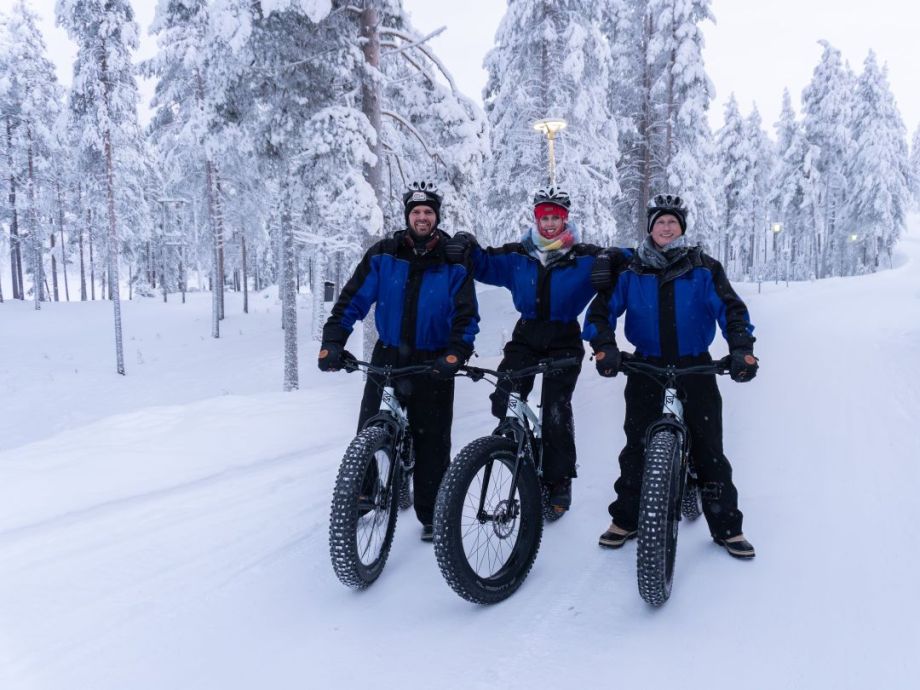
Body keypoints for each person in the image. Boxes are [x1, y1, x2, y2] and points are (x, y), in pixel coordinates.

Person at [583, 193, 759, 559]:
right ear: (650, 228)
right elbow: (601, 313)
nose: (666, 227)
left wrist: (741, 348)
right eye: (660, 222)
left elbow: (732, 311)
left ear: (682, 228)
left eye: (673, 222)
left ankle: (727, 527)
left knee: (709, 450)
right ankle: (626, 519)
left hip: (695, 366)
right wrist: (604, 346)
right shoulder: (631, 270)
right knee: (636, 447)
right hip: (647, 367)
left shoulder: (704, 267)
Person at [318, 181, 479, 542]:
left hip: (434, 360)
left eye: (428, 212)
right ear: (407, 216)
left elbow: (466, 316)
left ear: (437, 217)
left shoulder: (452, 260)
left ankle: (432, 511)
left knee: (432, 441)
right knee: (369, 426)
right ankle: (364, 493)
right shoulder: (384, 255)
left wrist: (456, 352)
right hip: (389, 354)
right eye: (416, 212)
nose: (422, 217)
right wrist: (333, 341)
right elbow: (352, 301)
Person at [445, 186, 617, 517]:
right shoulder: (518, 255)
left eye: (555, 218)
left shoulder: (584, 257)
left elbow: (624, 259)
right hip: (526, 334)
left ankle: (559, 480)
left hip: (564, 335)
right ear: (536, 220)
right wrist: (467, 243)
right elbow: (483, 262)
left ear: (565, 220)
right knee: (504, 399)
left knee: (555, 409)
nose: (549, 224)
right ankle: (520, 453)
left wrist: (610, 259)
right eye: (544, 218)